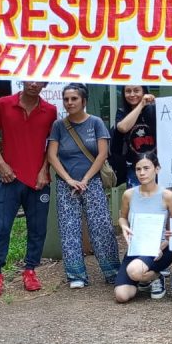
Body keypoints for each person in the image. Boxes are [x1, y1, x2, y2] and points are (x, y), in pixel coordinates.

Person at [0, 81, 58, 297]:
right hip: (10, 177)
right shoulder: (4, 104)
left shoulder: (50, 111)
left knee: (37, 228)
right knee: (2, 227)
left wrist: (44, 170)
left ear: (45, 84)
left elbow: (51, 144)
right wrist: (1, 164)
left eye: (38, 80)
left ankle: (30, 270)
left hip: (38, 181)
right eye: (29, 78)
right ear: (22, 79)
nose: (33, 83)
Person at [46, 83, 121, 288]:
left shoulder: (95, 123)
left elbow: (102, 154)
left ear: (84, 101)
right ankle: (76, 275)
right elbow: (52, 155)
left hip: (92, 182)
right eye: (67, 99)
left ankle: (112, 271)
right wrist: (69, 179)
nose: (70, 103)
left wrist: (86, 179)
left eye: (74, 99)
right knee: (69, 229)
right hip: (66, 185)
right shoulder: (58, 126)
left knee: (102, 227)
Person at [114, 153, 172, 303]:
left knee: (133, 270)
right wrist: (124, 227)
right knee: (121, 295)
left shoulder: (167, 196)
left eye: (146, 168)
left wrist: (162, 247)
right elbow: (122, 217)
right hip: (136, 249)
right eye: (138, 169)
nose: (142, 173)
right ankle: (144, 278)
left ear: (157, 169)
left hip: (159, 251)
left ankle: (156, 276)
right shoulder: (129, 194)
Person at [113, 85, 156, 187]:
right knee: (136, 201)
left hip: (158, 167)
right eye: (128, 91)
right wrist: (141, 105)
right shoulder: (121, 112)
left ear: (144, 92)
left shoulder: (154, 109)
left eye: (136, 91)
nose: (132, 94)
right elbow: (123, 128)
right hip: (135, 168)